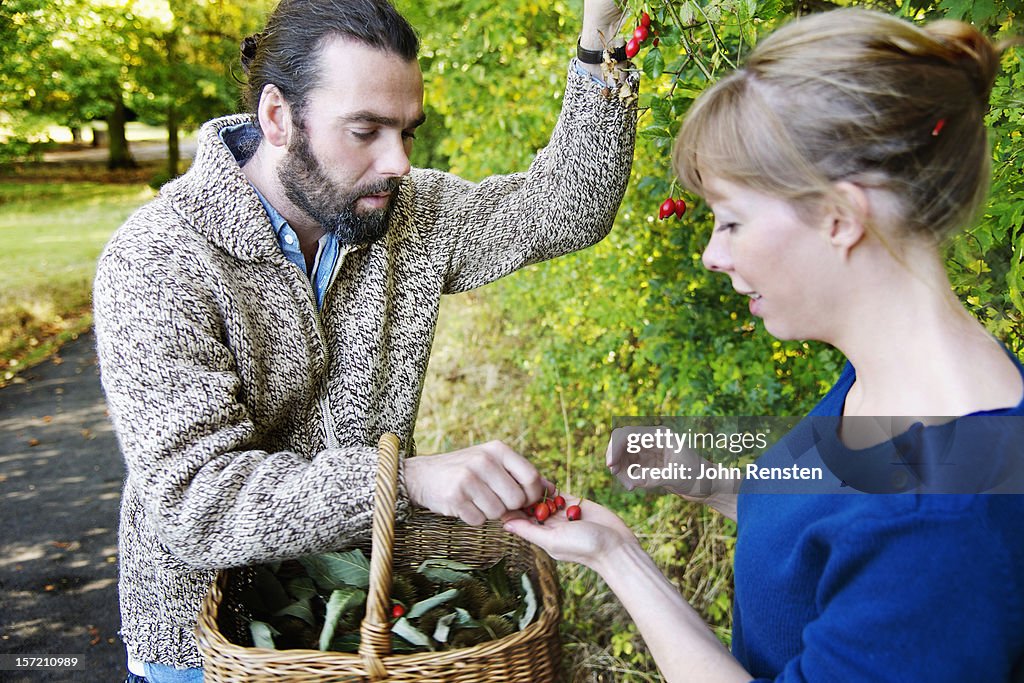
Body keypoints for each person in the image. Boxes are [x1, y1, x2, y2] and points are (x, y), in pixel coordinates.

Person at [92, 0, 638, 679]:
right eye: (366, 130)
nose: (398, 162)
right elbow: (196, 500)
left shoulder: (409, 214)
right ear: (277, 117)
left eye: (408, 131)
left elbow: (567, 206)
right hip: (205, 644)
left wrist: (602, 37)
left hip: (364, 619)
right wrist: (401, 480)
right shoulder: (157, 259)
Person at [505, 8, 1024, 682]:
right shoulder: (902, 383)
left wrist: (615, 555)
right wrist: (710, 481)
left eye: (731, 221)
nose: (710, 255)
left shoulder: (948, 533)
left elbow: (891, 521)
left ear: (839, 218)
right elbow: (847, 513)